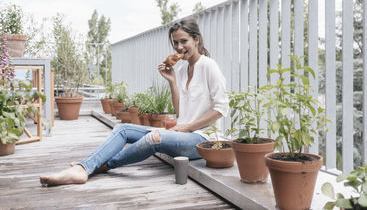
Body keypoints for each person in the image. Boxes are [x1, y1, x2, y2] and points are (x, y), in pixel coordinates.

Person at [39, 16, 229, 186]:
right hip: (181, 134)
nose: (179, 47)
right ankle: (85, 167)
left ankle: (97, 166)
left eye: (184, 41)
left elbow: (221, 109)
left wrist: (188, 127)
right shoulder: (180, 70)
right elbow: (180, 112)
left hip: (203, 139)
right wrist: (171, 82)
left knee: (154, 137)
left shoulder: (209, 66)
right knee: (123, 129)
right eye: (175, 43)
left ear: (196, 39)